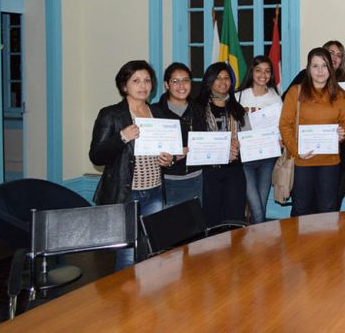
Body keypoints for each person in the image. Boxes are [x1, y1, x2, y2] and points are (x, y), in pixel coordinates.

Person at [89, 60, 172, 269]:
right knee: (127, 256)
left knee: (151, 250)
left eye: (147, 80)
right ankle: (125, 292)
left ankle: (146, 289)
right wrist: (122, 137)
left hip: (155, 190)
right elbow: (96, 156)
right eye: (136, 81)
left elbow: (165, 150)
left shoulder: (157, 113)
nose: (143, 85)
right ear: (124, 86)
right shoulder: (110, 114)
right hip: (127, 194)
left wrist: (168, 159)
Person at [279, 47, 345, 216]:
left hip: (330, 162)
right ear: (308, 69)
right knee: (301, 208)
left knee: (327, 209)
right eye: (315, 66)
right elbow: (285, 124)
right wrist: (296, 150)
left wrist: (343, 133)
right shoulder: (295, 92)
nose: (320, 71)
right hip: (302, 161)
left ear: (330, 68)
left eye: (324, 66)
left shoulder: (340, 94)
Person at [196, 62, 247, 226]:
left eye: (226, 78)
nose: (223, 82)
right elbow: (195, 141)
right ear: (209, 81)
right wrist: (223, 148)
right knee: (211, 219)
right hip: (209, 173)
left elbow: (248, 137)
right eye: (218, 78)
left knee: (234, 219)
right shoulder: (197, 108)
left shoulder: (238, 109)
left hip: (234, 171)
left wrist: (240, 144)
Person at [236, 55, 282, 224]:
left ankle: (256, 238)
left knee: (261, 205)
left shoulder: (275, 98)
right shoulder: (238, 97)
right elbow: (232, 126)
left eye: (267, 71)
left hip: (267, 158)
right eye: (258, 70)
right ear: (252, 72)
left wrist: (280, 139)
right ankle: (260, 236)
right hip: (245, 158)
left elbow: (280, 126)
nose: (263, 75)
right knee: (256, 207)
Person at [151, 62, 206, 207]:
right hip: (166, 181)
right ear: (166, 85)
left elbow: (205, 141)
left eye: (186, 80)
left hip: (196, 179)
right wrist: (172, 156)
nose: (181, 86)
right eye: (175, 81)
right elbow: (148, 150)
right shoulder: (155, 112)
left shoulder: (199, 110)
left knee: (194, 220)